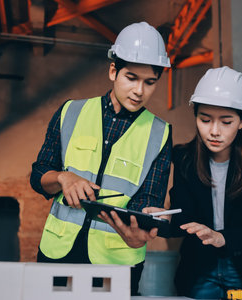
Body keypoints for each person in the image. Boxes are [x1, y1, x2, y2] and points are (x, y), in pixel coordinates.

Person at [29, 21, 172, 295]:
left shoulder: (161, 133)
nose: (140, 91)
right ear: (113, 71)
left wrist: (144, 224)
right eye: (132, 78)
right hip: (58, 252)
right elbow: (39, 175)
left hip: (118, 261)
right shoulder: (70, 111)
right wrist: (63, 177)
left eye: (150, 82)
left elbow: (148, 199)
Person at [168, 66, 242, 299]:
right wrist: (159, 219)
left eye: (226, 122)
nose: (214, 131)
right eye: (205, 119)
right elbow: (182, 218)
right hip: (200, 269)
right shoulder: (184, 158)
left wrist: (223, 238)